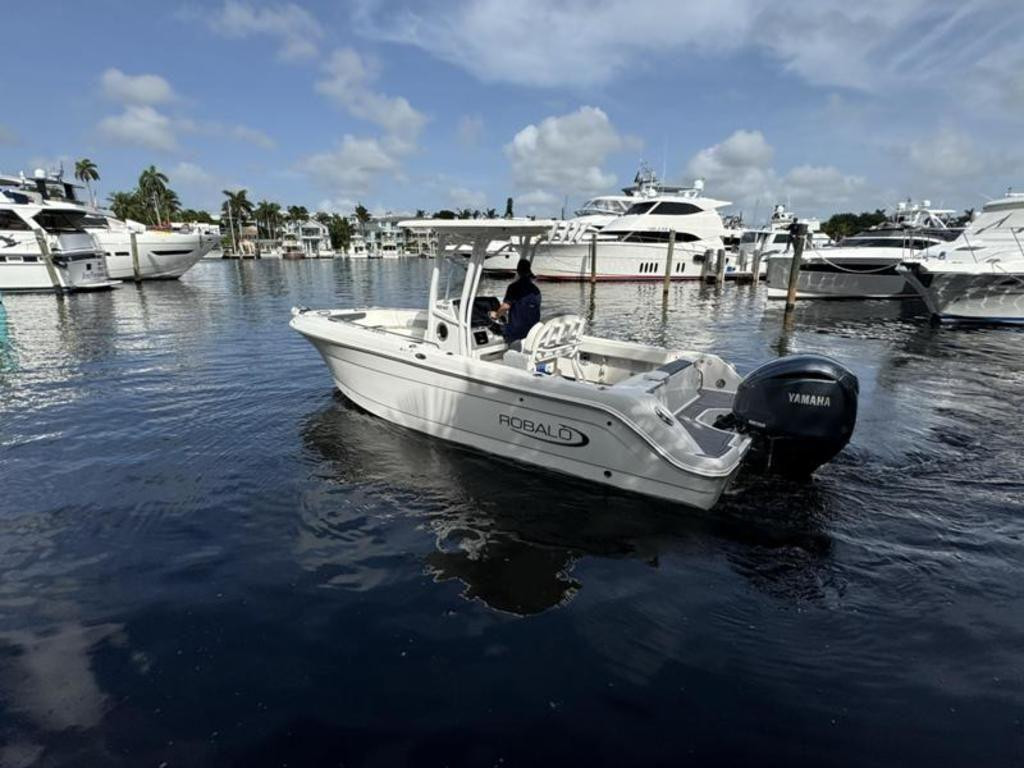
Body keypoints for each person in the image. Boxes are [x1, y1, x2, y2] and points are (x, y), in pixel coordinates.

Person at [490, 258, 541, 343]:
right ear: (529, 271)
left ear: (518, 271)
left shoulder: (513, 287)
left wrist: (496, 315)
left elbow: (505, 306)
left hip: (516, 332)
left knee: (493, 329)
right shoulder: (536, 290)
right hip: (532, 332)